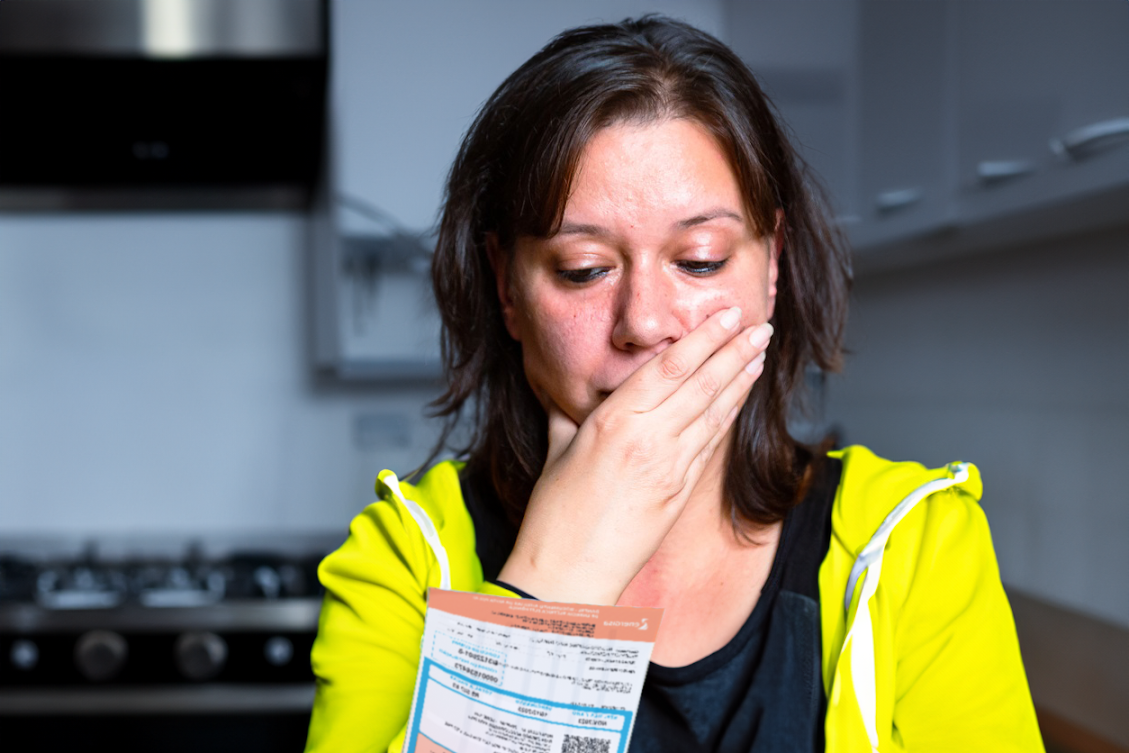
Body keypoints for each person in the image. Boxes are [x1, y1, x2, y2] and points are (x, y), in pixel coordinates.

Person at [304, 16, 1043, 753]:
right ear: (506, 286)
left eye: (698, 259)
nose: (645, 322)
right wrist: (561, 572)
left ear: (772, 266)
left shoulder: (918, 543)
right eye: (583, 268)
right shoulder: (405, 556)